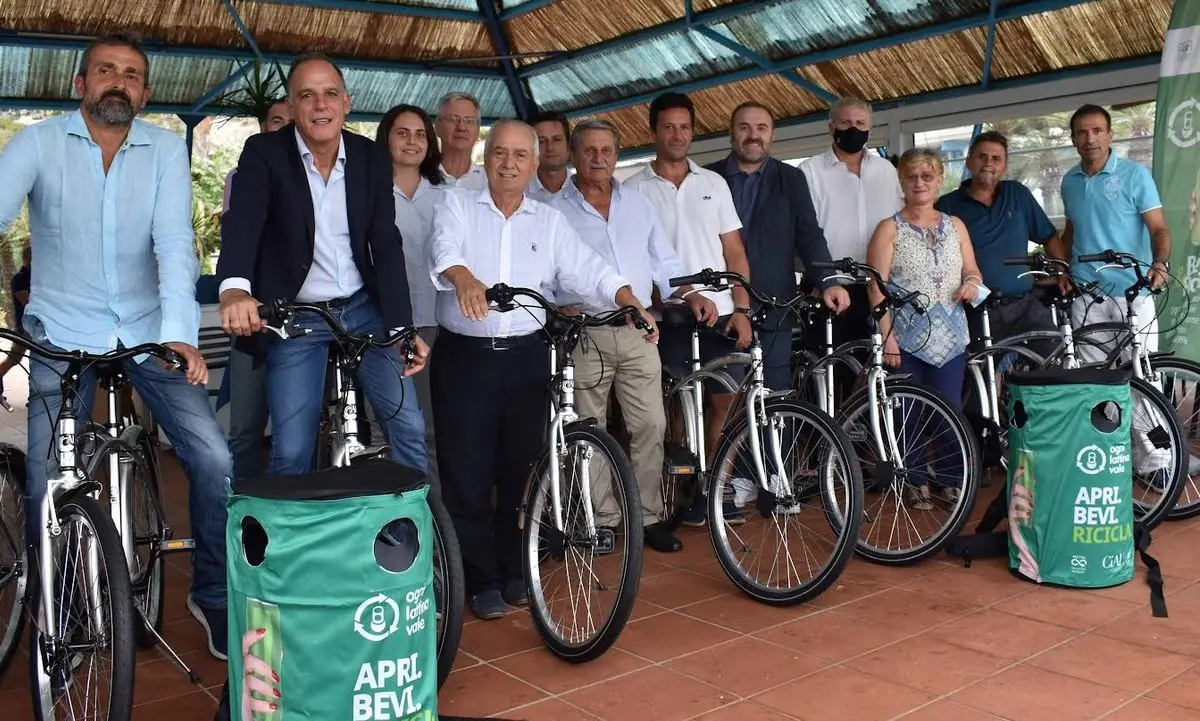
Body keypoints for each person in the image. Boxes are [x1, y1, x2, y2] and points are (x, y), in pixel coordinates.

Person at [0, 31, 233, 659]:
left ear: (145, 92)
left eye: (131, 75)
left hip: (147, 330)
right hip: (60, 331)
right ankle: (61, 607)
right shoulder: (39, 143)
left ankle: (210, 595)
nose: (117, 82)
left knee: (214, 459)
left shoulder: (162, 150)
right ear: (80, 84)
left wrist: (182, 336)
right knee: (49, 477)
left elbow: (174, 248)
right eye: (105, 70)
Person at [428, 119, 657, 619]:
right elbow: (444, 249)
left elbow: (587, 268)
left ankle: (515, 571)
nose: (509, 163)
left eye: (520, 156)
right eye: (500, 153)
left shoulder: (548, 222)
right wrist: (465, 279)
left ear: (534, 164)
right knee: (466, 475)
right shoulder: (458, 204)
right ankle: (479, 578)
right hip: (465, 361)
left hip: (529, 358)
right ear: (488, 158)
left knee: (522, 473)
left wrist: (626, 297)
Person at [216, 52, 430, 479]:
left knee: (408, 426)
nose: (320, 105)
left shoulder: (370, 157)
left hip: (362, 309)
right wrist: (235, 290)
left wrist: (403, 328)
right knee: (293, 448)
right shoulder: (264, 152)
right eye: (307, 96)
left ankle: (413, 537)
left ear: (346, 104)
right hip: (297, 314)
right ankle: (291, 545)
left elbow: (385, 244)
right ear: (293, 107)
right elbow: (244, 224)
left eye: (330, 94)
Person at [552, 118, 716, 554]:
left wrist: (690, 292)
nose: (598, 158)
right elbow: (544, 269)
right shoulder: (552, 208)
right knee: (591, 429)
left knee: (651, 424)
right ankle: (601, 519)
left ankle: (645, 518)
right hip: (586, 331)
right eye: (589, 150)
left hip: (639, 330)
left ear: (617, 154)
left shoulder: (638, 203)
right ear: (574, 155)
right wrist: (554, 304)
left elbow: (663, 261)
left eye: (607, 150)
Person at [624, 91, 752, 527]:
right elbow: (633, 258)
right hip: (665, 320)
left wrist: (742, 307)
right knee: (675, 409)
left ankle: (719, 488)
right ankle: (681, 492)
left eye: (684, 127)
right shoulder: (633, 190)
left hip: (719, 312)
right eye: (668, 127)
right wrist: (662, 298)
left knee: (726, 402)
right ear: (653, 131)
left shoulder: (713, 184)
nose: (677, 134)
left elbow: (733, 250)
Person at [1048, 103, 1173, 487]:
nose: (1090, 139)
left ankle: (1156, 461)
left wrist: (1160, 264)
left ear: (1110, 134)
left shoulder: (1135, 176)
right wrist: (1061, 268)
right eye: (1082, 133)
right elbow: (1070, 232)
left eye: (1097, 131)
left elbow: (1159, 230)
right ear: (1073, 139)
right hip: (1089, 296)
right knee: (1098, 381)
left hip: (1134, 292)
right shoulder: (1069, 181)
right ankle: (1113, 455)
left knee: (1143, 377)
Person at [705, 101, 850, 392]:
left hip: (775, 305)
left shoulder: (792, 178)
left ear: (772, 135)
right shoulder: (706, 179)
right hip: (718, 304)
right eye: (744, 128)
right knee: (723, 399)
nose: (753, 135)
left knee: (776, 398)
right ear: (731, 133)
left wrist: (828, 282)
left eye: (761, 128)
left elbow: (809, 236)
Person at [865, 148, 980, 510]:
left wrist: (973, 284)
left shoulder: (956, 225)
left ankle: (948, 479)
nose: (920, 182)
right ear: (902, 181)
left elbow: (972, 271)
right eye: (912, 176)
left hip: (951, 338)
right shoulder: (889, 228)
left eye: (927, 176)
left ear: (939, 180)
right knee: (905, 414)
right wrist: (887, 337)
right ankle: (912, 480)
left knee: (949, 412)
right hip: (906, 337)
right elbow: (875, 286)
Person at [217, 97, 294, 481]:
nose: (283, 128)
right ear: (262, 128)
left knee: (294, 431)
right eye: (276, 121)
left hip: (302, 318)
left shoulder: (320, 178)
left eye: (290, 121)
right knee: (246, 425)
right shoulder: (241, 178)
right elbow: (239, 239)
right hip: (254, 316)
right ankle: (244, 511)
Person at [375, 103, 446, 493]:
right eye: (402, 132)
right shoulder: (368, 191)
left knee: (431, 426)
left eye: (420, 134)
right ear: (386, 137)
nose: (412, 141)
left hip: (437, 322)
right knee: (395, 423)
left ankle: (431, 514)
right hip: (387, 324)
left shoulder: (445, 195)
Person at [934, 131, 1058, 350]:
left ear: (1005, 167)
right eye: (982, 157)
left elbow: (1048, 236)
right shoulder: (947, 206)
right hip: (976, 309)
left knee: (1054, 360)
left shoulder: (1018, 194)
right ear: (969, 162)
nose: (988, 163)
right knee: (979, 376)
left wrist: (1060, 272)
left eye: (996, 159)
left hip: (1025, 304)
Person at [799, 96, 903, 353]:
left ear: (870, 129)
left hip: (878, 291)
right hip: (829, 290)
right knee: (832, 377)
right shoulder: (809, 171)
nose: (853, 128)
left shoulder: (886, 171)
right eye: (846, 122)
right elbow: (801, 233)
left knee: (877, 375)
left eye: (860, 122)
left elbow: (900, 224)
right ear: (831, 127)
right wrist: (818, 280)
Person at [434, 91, 487, 189]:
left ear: (478, 129)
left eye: (469, 121)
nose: (461, 127)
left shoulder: (490, 181)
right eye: (452, 119)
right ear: (437, 127)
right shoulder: (419, 177)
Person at [0, 243, 31, 389]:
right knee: (13, 359)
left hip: (35, 326)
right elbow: (26, 301)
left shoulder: (34, 278)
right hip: (25, 328)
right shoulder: (20, 278)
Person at [528, 110, 571, 202]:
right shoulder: (518, 193)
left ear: (569, 145)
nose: (550, 147)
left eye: (557, 139)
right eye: (542, 141)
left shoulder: (585, 189)